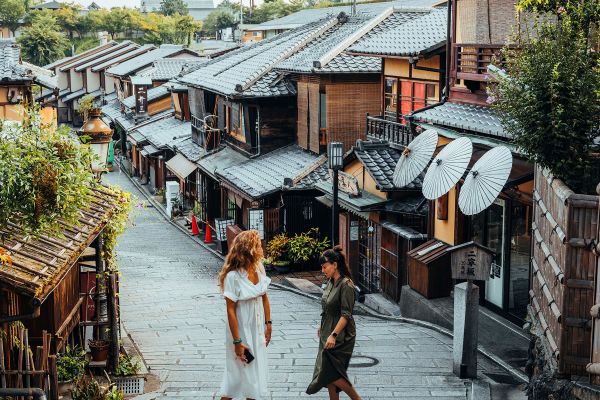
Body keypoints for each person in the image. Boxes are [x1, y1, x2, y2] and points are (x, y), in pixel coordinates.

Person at [217, 230, 272, 400]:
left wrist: (268, 324)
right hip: (240, 330)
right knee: (236, 375)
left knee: (253, 374)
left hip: (256, 328)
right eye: (257, 244)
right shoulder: (232, 277)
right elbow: (230, 310)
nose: (260, 246)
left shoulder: (259, 268)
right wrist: (237, 341)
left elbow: (264, 297)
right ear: (249, 248)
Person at [307, 245, 362, 400]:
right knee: (330, 376)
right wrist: (322, 325)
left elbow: (346, 315)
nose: (322, 270)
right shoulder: (331, 281)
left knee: (330, 372)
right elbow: (329, 307)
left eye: (325, 267)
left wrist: (333, 334)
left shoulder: (346, 285)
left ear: (335, 265)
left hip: (341, 335)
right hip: (327, 330)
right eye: (322, 267)